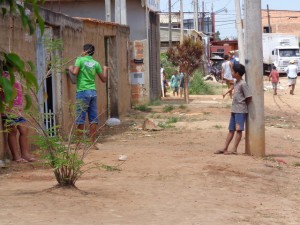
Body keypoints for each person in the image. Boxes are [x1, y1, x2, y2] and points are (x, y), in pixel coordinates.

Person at [68, 43, 108, 145]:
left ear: (85, 51)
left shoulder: (80, 60)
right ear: (93, 52)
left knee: (80, 118)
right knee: (93, 118)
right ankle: (92, 142)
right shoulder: (96, 63)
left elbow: (75, 73)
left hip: (82, 91)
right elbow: (103, 79)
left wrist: (70, 68)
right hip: (92, 92)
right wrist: (105, 69)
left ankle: (78, 143)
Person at [215, 64, 252, 155]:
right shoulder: (236, 82)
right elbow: (233, 87)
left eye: (233, 71)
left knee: (238, 130)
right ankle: (225, 148)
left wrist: (243, 105)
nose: (231, 73)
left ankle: (234, 149)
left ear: (238, 73)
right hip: (234, 109)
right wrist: (227, 92)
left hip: (240, 110)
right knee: (231, 130)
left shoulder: (243, 84)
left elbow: (249, 97)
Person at [1, 68, 35, 163]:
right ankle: (16, 156)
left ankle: (25, 154)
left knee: (24, 130)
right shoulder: (3, 78)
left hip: (18, 110)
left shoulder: (14, 76)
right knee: (13, 131)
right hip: (8, 109)